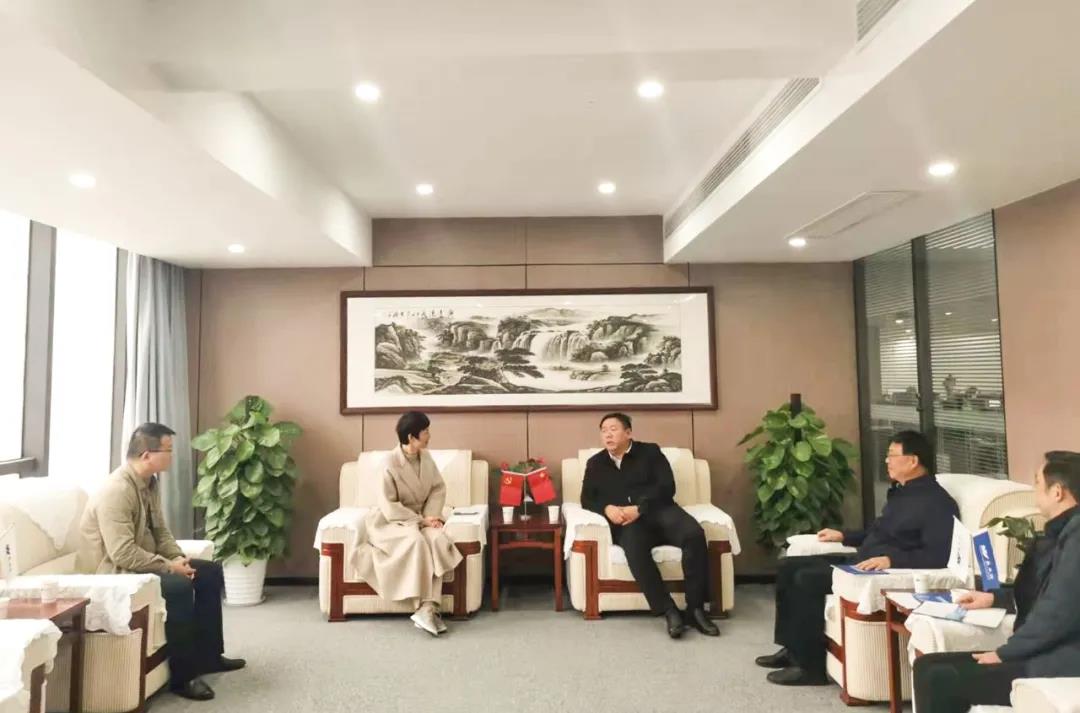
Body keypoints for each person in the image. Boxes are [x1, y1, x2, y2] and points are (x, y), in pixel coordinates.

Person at [758, 430, 959, 685]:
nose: (886, 461)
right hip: (861, 561)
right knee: (788, 567)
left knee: (806, 578)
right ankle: (792, 649)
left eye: (892, 455)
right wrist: (844, 535)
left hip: (879, 572)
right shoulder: (903, 492)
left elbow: (939, 554)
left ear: (913, 461)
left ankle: (810, 667)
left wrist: (892, 560)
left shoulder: (937, 503)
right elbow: (878, 531)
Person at [78, 423, 245, 702]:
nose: (172, 456)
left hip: (143, 563)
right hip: (116, 573)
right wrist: (169, 567)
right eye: (168, 450)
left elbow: (161, 532)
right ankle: (183, 678)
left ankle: (209, 656)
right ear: (146, 455)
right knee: (179, 586)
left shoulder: (149, 483)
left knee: (209, 572)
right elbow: (122, 553)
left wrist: (178, 557)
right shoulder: (116, 491)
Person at [912, 451, 1080, 713]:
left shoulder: (1077, 534)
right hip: (1047, 650)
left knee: (939, 678)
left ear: (1057, 492)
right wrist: (995, 597)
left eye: (1037, 481)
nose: (1034, 489)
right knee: (926, 665)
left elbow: (1059, 611)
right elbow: (1046, 589)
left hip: (1063, 659)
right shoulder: (1061, 531)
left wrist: (1005, 653)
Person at [580, 412, 720, 639]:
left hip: (660, 511)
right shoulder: (596, 463)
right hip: (628, 523)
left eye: (613, 429)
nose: (608, 435)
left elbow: (667, 487)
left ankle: (695, 610)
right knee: (634, 547)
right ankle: (669, 610)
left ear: (628, 433)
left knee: (693, 534)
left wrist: (640, 508)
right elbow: (587, 499)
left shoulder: (650, 452)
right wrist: (607, 508)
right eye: (604, 431)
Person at [352, 411, 462, 636]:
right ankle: (423, 607)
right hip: (391, 522)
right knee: (416, 541)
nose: (429, 436)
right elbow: (389, 506)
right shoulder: (388, 464)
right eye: (425, 432)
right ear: (412, 437)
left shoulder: (426, 458)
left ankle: (428, 608)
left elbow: (438, 488)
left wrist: (430, 517)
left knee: (437, 540)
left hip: (421, 518)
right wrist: (421, 520)